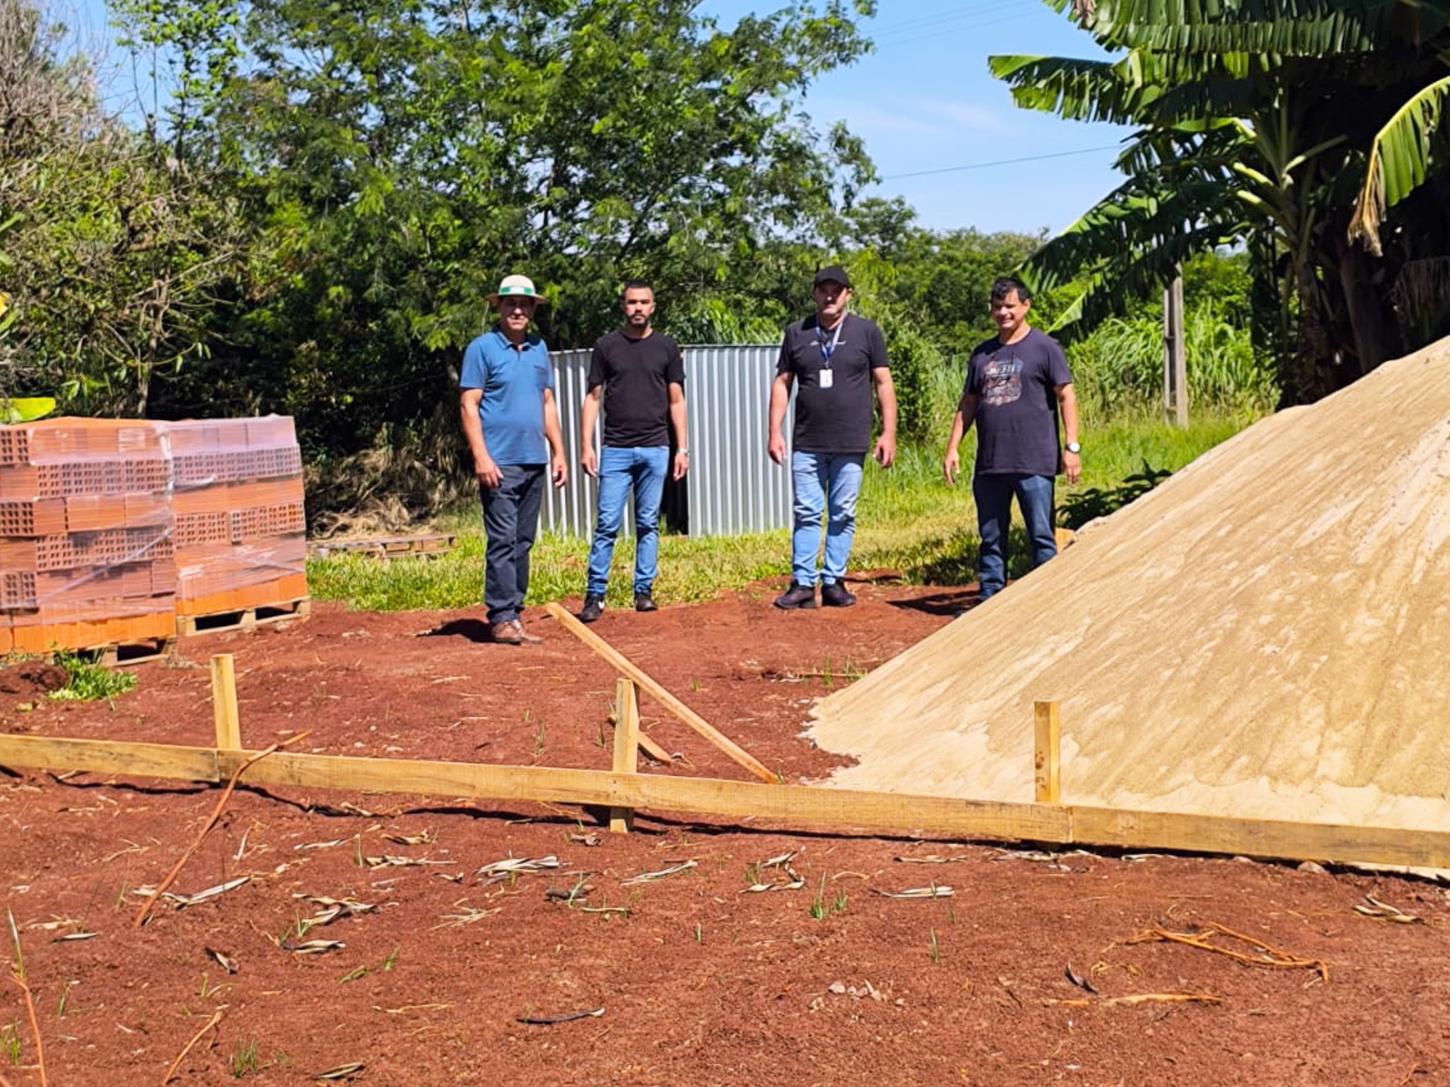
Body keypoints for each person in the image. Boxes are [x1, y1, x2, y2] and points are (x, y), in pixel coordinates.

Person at [942, 275, 1081, 602]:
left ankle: (1047, 601)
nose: (1003, 313)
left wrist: (1071, 447)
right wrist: (952, 448)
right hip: (990, 463)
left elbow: (1067, 396)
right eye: (996, 307)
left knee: (1041, 536)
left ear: (1025, 306)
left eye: (1009, 306)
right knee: (991, 537)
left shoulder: (1045, 348)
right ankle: (990, 600)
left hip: (1034, 460)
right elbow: (969, 403)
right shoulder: (982, 354)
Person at [767, 265, 897, 609]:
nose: (829, 296)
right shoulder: (797, 332)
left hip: (850, 442)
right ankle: (803, 584)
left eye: (836, 290)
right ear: (814, 293)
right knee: (807, 512)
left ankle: (834, 581)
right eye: (823, 289)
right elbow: (782, 383)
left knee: (842, 512)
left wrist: (888, 432)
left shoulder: (867, 332)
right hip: (807, 442)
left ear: (847, 295)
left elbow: (883, 382)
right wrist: (774, 431)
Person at [458, 274, 568, 645]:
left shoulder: (538, 348)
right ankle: (501, 615)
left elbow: (547, 402)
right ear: (499, 307)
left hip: (534, 460)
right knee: (502, 539)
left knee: (523, 540)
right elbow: (468, 405)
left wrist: (559, 452)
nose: (517, 310)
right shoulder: (482, 348)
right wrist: (481, 456)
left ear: (533, 309)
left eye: (525, 305)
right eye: (510, 304)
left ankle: (515, 614)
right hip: (499, 462)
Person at [577, 281, 689, 622]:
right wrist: (586, 446)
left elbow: (677, 399)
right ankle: (595, 595)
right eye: (631, 302)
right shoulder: (606, 346)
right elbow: (593, 397)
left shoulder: (666, 347)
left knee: (648, 524)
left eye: (644, 302)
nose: (637, 308)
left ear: (653, 306)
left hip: (656, 448)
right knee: (607, 524)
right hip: (616, 449)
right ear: (623, 306)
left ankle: (643, 592)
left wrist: (682, 448)